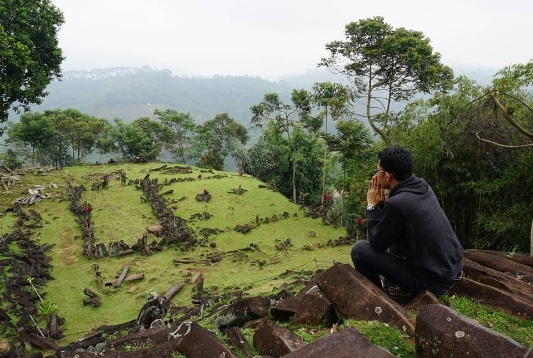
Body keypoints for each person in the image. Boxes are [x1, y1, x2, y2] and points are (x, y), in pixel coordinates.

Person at [351, 147, 463, 298]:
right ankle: (395, 285)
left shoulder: (397, 204)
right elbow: (402, 218)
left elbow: (376, 244)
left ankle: (382, 300)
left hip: (432, 281)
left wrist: (371, 207)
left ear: (388, 176)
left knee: (359, 249)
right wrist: (383, 205)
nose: (376, 175)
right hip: (451, 270)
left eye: (377, 171)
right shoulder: (422, 186)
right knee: (394, 232)